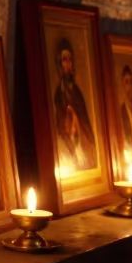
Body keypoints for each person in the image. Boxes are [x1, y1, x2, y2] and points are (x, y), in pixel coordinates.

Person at [52, 38, 97, 172]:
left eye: (70, 59)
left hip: (83, 145)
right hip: (67, 150)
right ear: (60, 64)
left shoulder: (78, 93)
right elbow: (60, 127)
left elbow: (85, 123)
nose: (68, 63)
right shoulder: (58, 95)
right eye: (65, 59)